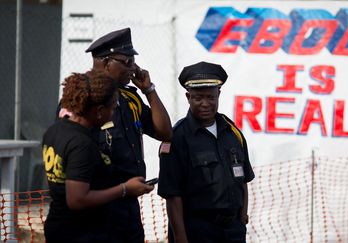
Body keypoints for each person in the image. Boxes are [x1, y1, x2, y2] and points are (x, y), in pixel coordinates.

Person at [58, 28, 172, 242]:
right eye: (127, 62)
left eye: (133, 62)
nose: (133, 68)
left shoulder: (130, 98)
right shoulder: (82, 98)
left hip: (127, 207)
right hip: (95, 208)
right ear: (105, 62)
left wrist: (149, 90)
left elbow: (165, 132)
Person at [43, 71, 153, 243]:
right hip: (80, 233)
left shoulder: (55, 131)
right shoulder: (81, 144)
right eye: (113, 108)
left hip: (59, 226)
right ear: (100, 111)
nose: (114, 114)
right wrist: (125, 189)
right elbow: (77, 199)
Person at [157, 61, 255, 243]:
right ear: (188, 97)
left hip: (233, 231)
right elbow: (172, 195)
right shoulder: (176, 138)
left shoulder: (232, 133)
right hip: (197, 232)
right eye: (198, 98)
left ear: (219, 94)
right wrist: (180, 238)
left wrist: (242, 219)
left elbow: (243, 180)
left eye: (211, 97)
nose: (205, 104)